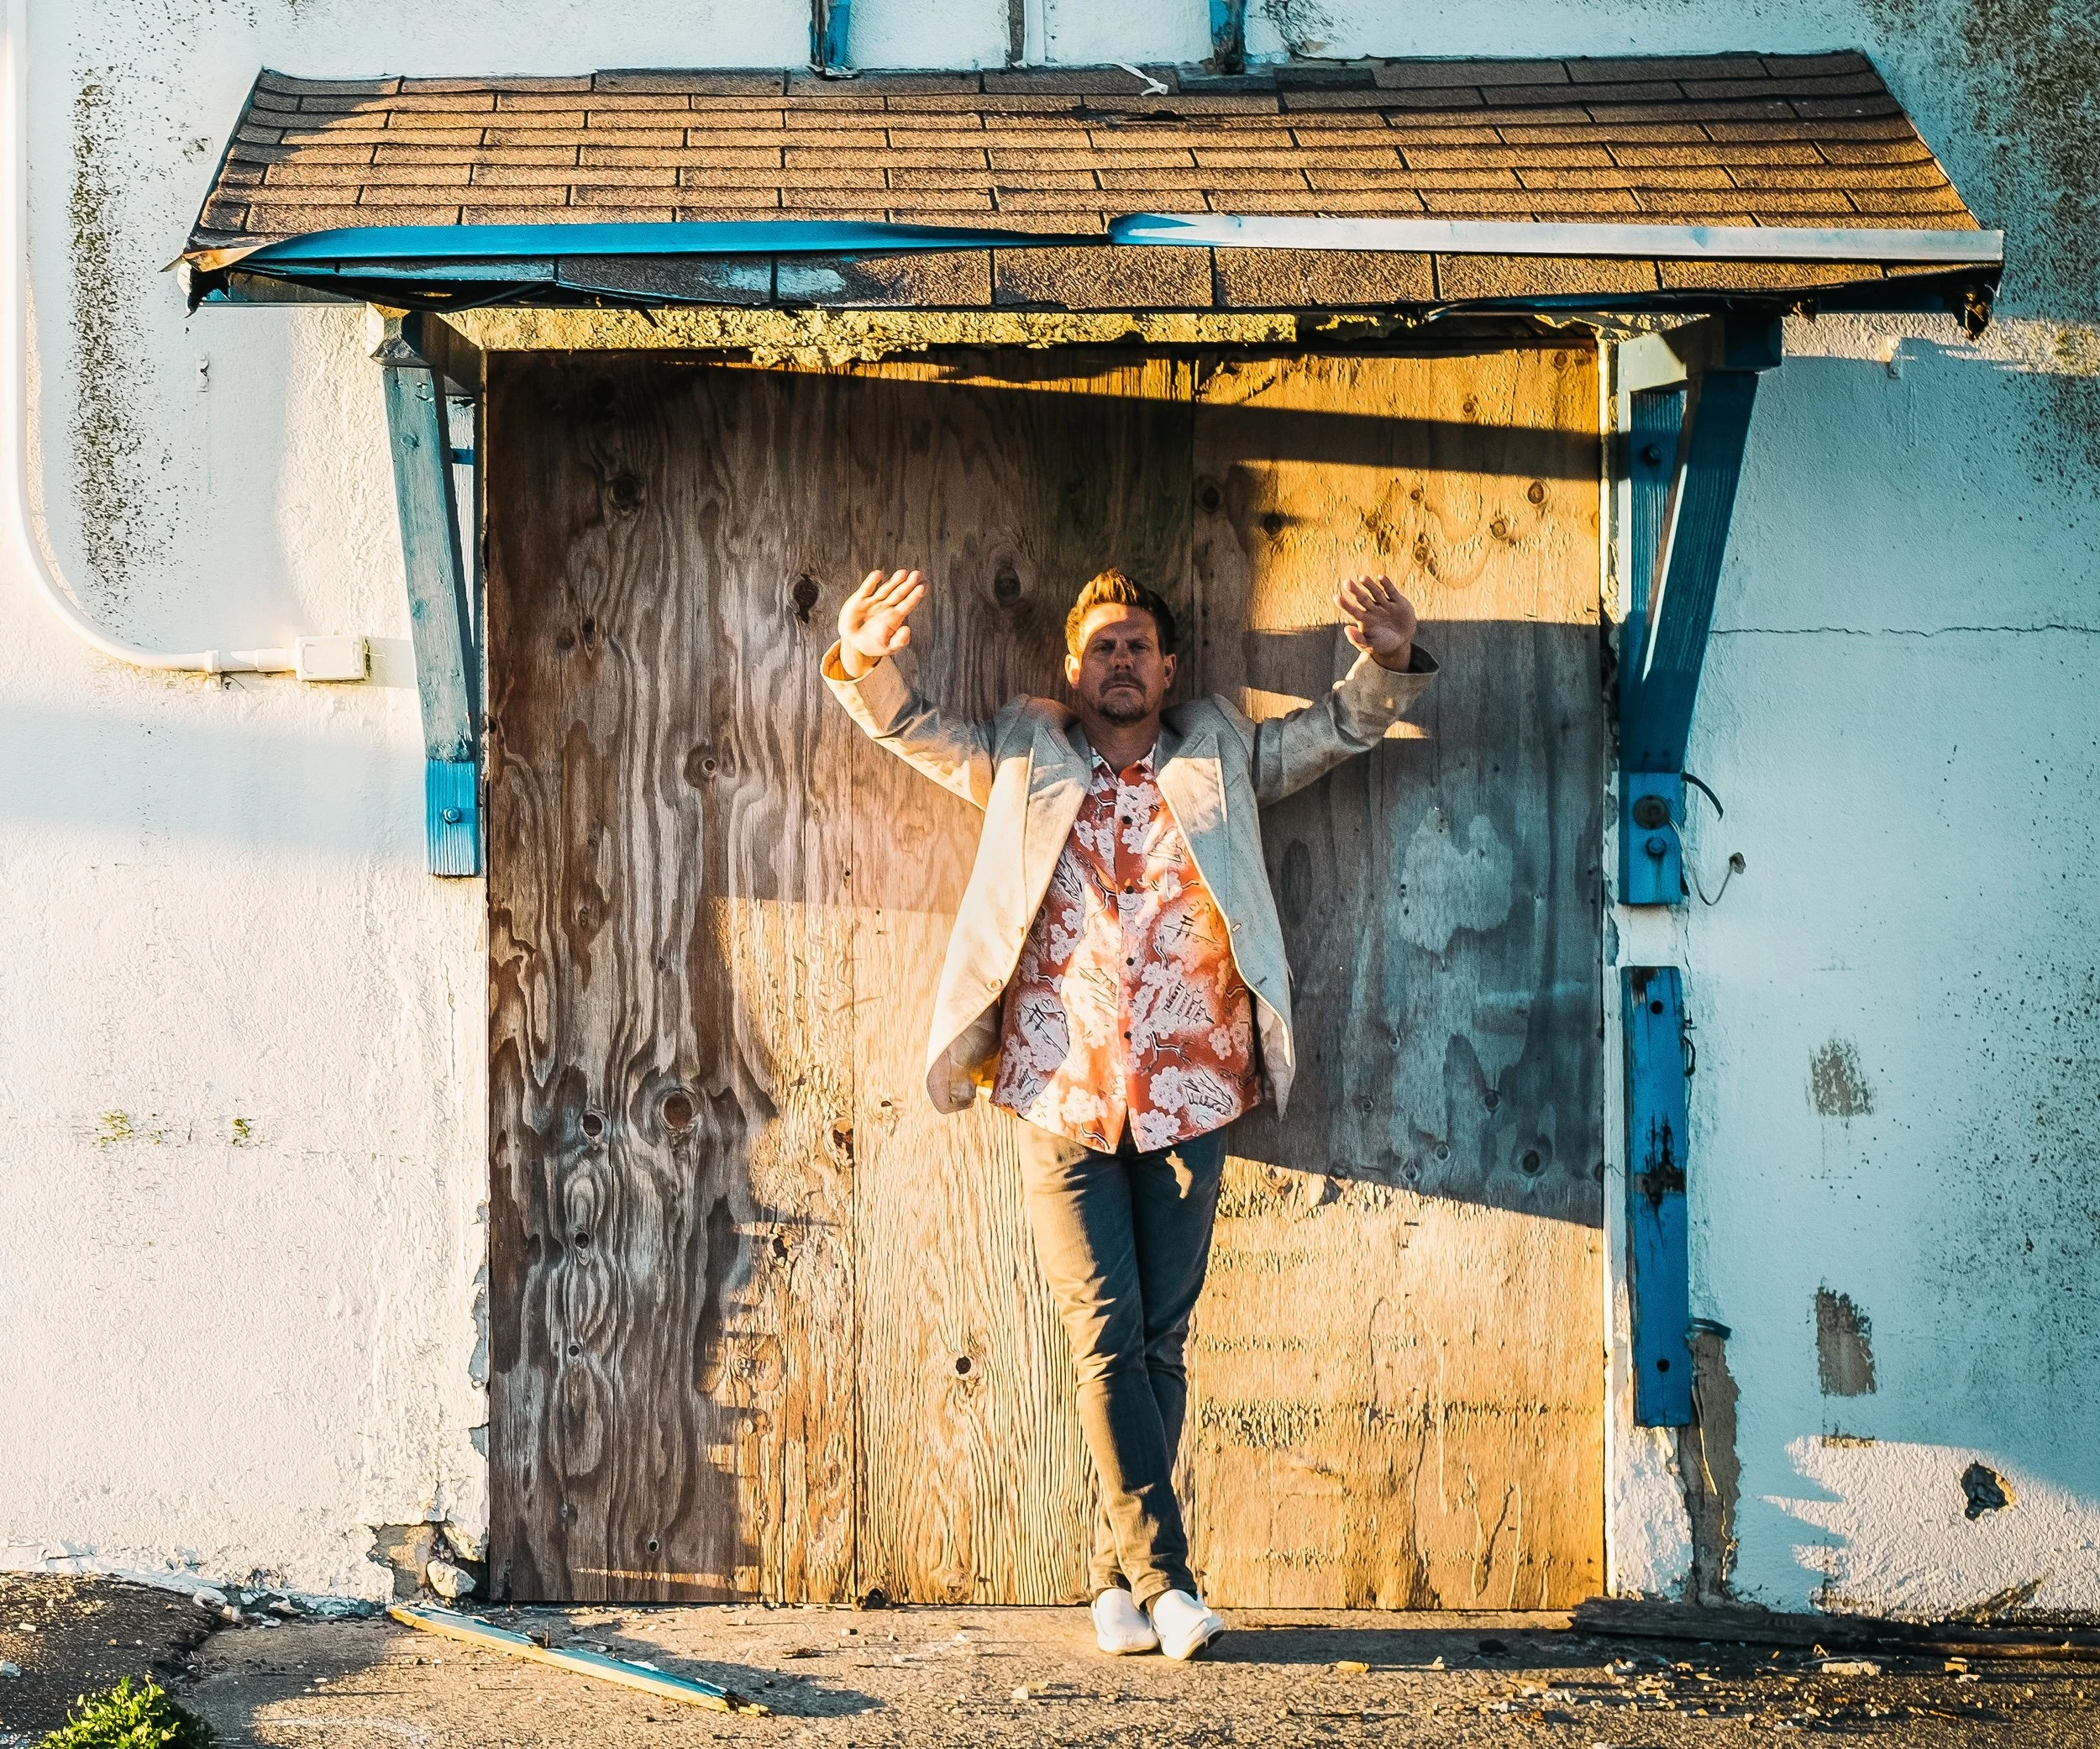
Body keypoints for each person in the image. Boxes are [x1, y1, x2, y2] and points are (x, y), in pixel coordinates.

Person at [823, 564, 1435, 1660]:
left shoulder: (1221, 758)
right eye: (1102, 643)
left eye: (1138, 644)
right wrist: (865, 654)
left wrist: (1384, 658)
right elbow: (909, 723)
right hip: (1058, 1091)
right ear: (1075, 665)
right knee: (1105, 1333)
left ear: (1168, 667)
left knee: (1160, 1341)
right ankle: (1168, 1581)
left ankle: (1113, 1580)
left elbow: (1341, 729)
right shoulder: (1024, 757)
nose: (1121, 660)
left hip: (1195, 1090)